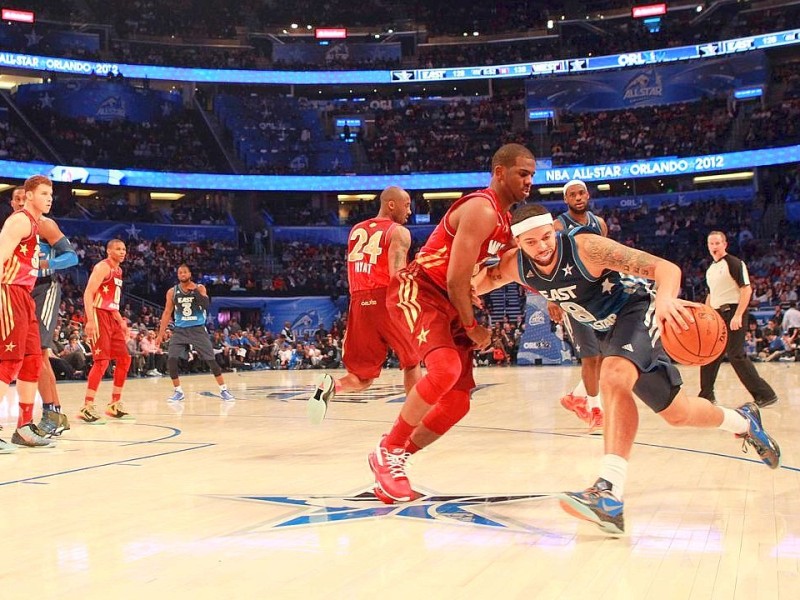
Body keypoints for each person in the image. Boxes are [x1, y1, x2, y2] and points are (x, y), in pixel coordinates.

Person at [472, 203, 781, 534]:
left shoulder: (587, 247)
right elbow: (470, 286)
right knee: (678, 413)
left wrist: (665, 300)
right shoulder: (514, 265)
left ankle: (609, 492)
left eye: (546, 237)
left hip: (635, 311)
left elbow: (667, 269)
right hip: (606, 332)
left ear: (555, 231)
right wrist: (471, 268)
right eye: (531, 242)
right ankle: (743, 420)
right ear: (518, 243)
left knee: (613, 376)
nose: (541, 246)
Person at [367, 143, 535, 504]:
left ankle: (397, 457)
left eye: (532, 175)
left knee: (458, 402)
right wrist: (472, 325)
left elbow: (483, 274)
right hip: (421, 288)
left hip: (448, 298)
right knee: (444, 369)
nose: (529, 181)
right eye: (523, 173)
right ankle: (388, 449)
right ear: (499, 172)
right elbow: (457, 277)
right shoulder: (481, 208)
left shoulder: (505, 223)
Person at [307, 186, 421, 424]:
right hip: (387, 299)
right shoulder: (398, 232)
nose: (409, 210)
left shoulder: (355, 229)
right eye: (407, 204)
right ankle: (414, 420)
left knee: (362, 377)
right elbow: (397, 274)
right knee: (412, 361)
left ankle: (331, 386)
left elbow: (352, 272)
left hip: (358, 301)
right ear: (391, 204)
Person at [7, 187, 79, 436]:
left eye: (21, 197)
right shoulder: (15, 225)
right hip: (17, 289)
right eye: (15, 198)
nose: (18, 202)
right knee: (26, 354)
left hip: (43, 288)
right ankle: (40, 418)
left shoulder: (45, 225)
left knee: (39, 351)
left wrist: (45, 263)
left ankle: (53, 413)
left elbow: (71, 257)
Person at [0, 176, 57, 450]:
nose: (49, 198)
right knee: (7, 362)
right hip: (8, 292)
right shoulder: (20, 220)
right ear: (30, 195)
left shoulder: (35, 225)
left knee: (32, 359)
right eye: (44, 193)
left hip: (24, 296)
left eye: (51, 194)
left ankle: (23, 428)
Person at [550, 180, 607, 430]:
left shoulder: (599, 224)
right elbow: (550, 262)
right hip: (572, 297)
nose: (577, 197)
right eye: (572, 194)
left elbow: (608, 256)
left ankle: (576, 396)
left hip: (599, 295)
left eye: (581, 192)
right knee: (591, 356)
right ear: (566, 200)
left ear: (587, 194)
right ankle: (596, 409)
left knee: (606, 356)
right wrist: (553, 298)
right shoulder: (558, 225)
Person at [700, 232, 779, 408]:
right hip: (717, 314)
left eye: (717, 243)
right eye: (711, 243)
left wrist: (738, 315)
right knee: (710, 354)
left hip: (734, 311)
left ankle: (766, 394)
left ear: (725, 244)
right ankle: (705, 395)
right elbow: (712, 294)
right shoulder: (711, 269)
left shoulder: (734, 263)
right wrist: (707, 314)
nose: (714, 246)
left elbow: (746, 290)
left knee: (736, 355)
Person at [155, 263, 234, 402]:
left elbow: (205, 305)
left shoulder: (200, 288)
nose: (182, 274)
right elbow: (167, 312)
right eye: (180, 272)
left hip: (197, 329)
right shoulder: (172, 292)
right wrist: (160, 334)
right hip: (180, 330)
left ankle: (223, 389)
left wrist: (195, 291)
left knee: (211, 360)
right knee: (171, 359)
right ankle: (178, 391)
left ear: (190, 274)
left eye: (185, 272)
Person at [78, 239, 133, 422]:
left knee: (125, 359)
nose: (122, 252)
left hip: (110, 316)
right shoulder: (103, 267)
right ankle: (87, 406)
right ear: (109, 251)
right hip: (97, 313)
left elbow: (111, 302)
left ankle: (114, 403)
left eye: (124, 249)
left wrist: (121, 321)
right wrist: (90, 320)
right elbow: (88, 293)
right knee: (101, 361)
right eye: (118, 248)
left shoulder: (119, 270)